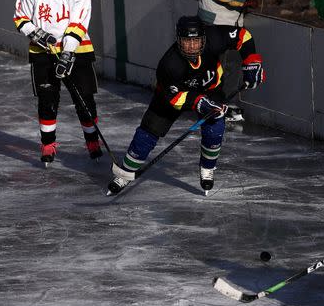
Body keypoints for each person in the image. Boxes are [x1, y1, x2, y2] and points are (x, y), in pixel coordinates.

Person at [107, 16, 265, 195]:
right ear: (178, 40)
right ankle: (126, 173)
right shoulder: (169, 63)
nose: (191, 46)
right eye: (186, 41)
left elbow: (243, 36)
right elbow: (175, 98)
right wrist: (197, 102)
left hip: (211, 90)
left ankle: (207, 169)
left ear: (203, 39)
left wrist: (251, 61)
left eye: (196, 41)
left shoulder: (215, 37)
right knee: (147, 133)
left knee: (214, 129)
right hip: (171, 96)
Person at [13, 0, 102, 166]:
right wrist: (35, 33)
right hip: (42, 53)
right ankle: (48, 144)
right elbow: (20, 17)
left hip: (77, 52)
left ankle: (92, 141)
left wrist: (68, 52)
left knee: (84, 100)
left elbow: (79, 24)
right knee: (47, 100)